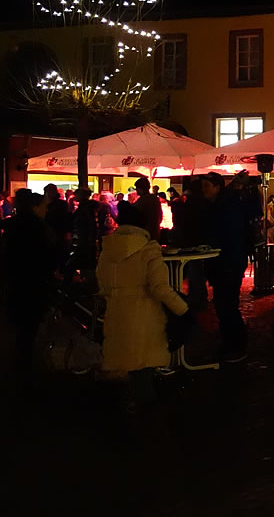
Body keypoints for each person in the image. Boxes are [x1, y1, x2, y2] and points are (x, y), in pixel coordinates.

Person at [97, 202, 191, 409]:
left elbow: (102, 283)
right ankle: (147, 425)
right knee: (144, 371)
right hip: (144, 317)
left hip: (116, 314)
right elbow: (159, 288)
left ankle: (127, 420)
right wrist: (183, 309)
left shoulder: (108, 249)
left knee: (127, 367)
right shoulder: (149, 249)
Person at [0, 189, 58, 380]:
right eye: (43, 207)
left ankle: (22, 366)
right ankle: (26, 371)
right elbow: (47, 257)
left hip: (16, 282)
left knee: (23, 329)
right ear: (35, 207)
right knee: (30, 327)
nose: (46, 210)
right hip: (33, 284)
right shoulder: (38, 228)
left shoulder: (15, 226)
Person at [200, 173, 249, 362]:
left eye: (207, 185)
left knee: (228, 305)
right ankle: (230, 343)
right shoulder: (220, 204)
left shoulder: (227, 206)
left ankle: (236, 346)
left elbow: (229, 235)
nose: (204, 189)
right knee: (223, 305)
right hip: (223, 262)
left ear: (217, 187)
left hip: (228, 262)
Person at [134, 177, 163, 242]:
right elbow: (160, 216)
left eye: (137, 188)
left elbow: (136, 215)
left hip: (145, 233)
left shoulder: (143, 200)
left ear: (141, 188)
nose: (136, 190)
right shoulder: (155, 199)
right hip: (155, 232)